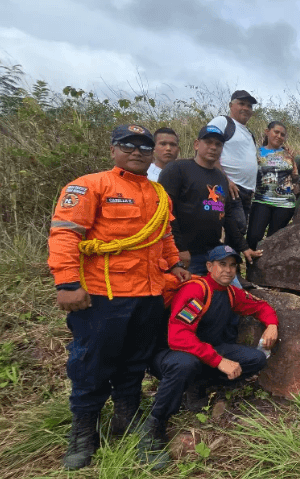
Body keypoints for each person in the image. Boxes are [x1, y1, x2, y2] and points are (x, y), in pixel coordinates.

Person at [48, 124, 191, 470]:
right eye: (128, 144)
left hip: (147, 294)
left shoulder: (158, 193)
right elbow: (66, 234)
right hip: (101, 295)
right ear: (113, 149)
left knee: (134, 362)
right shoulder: (90, 185)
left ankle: (127, 418)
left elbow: (164, 235)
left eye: (144, 146)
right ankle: (85, 429)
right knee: (91, 364)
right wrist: (67, 283)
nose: (137, 151)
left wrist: (174, 264)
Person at [138, 245, 279, 469]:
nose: (228, 270)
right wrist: (219, 361)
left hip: (203, 352)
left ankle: (197, 386)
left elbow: (259, 306)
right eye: (222, 264)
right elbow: (179, 336)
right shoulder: (196, 290)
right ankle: (154, 427)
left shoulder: (231, 293)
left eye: (233, 265)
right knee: (186, 363)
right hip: (169, 355)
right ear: (209, 266)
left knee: (256, 359)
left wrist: (271, 325)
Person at [158, 125, 261, 276]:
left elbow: (228, 216)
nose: (213, 147)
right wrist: (179, 249)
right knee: (191, 296)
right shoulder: (177, 169)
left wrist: (244, 247)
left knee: (233, 293)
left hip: (214, 252)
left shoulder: (220, 178)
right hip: (185, 254)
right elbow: (165, 211)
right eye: (208, 142)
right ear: (196, 144)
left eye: (218, 144)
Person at [208, 90, 258, 233]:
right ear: (231, 105)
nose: (246, 108)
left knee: (239, 231)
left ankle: (231, 255)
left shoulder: (249, 133)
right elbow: (208, 151)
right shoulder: (222, 122)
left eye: (249, 106)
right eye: (241, 103)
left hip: (246, 192)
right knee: (235, 227)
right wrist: (225, 180)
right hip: (229, 187)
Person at [247, 121, 300, 249]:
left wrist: (296, 188)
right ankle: (252, 267)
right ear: (267, 132)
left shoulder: (288, 154)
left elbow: (295, 176)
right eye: (276, 132)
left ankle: (267, 268)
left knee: (274, 243)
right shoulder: (256, 152)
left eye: (282, 134)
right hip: (261, 200)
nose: (279, 136)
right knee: (253, 237)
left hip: (285, 203)